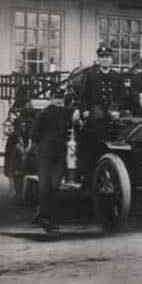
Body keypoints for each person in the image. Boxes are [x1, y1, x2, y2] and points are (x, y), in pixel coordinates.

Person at [78, 45, 125, 177]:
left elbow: (122, 95)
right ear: (98, 59)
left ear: (111, 60)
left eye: (107, 57)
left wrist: (116, 107)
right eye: (102, 57)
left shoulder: (117, 76)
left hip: (113, 109)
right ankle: (101, 149)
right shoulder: (90, 75)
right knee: (98, 119)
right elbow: (83, 95)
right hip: (95, 107)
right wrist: (84, 110)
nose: (105, 60)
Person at [31, 85, 72, 232]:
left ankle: (50, 219)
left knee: (55, 187)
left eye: (61, 99)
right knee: (45, 187)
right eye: (56, 98)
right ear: (51, 99)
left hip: (59, 154)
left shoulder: (66, 113)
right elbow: (35, 134)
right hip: (46, 154)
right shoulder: (43, 114)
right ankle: (45, 218)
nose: (59, 101)